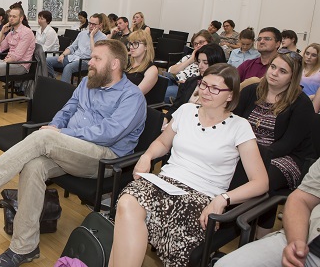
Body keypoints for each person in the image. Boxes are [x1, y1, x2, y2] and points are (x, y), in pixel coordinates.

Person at [0, 40, 147, 267]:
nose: (90, 62)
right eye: (91, 57)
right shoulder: (88, 83)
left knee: (44, 138)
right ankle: (24, 247)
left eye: (96, 59)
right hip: (72, 148)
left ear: (114, 64)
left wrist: (60, 134)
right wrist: (55, 127)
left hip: (105, 158)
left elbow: (108, 133)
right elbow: (67, 110)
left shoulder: (131, 97)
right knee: (33, 166)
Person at [111, 63, 268, 267]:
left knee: (128, 218)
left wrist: (224, 198)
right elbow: (162, 143)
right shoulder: (186, 111)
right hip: (165, 182)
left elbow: (261, 182)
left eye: (215, 88)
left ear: (230, 95)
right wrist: (147, 156)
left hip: (201, 196)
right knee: (127, 201)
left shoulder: (239, 126)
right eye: (203, 85)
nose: (205, 92)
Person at [234, 49, 315, 238]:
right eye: (273, 67)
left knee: (265, 179)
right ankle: (229, 221)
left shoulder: (301, 103)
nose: (274, 73)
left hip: (285, 158)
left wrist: (250, 156)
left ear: (292, 78)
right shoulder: (251, 91)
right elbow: (233, 123)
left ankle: (260, 236)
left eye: (282, 71)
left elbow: (287, 145)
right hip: (247, 149)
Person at [215, 158, 320, 267]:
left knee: (271, 177)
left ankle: (261, 233)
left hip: (292, 159)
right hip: (305, 237)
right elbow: (301, 199)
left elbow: (281, 147)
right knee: (225, 264)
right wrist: (296, 241)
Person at [163, 43, 227, 126]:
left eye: (205, 62)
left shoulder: (223, 89)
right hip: (180, 123)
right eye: (199, 62)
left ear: (217, 63)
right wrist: (165, 119)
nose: (200, 66)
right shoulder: (191, 82)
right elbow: (176, 107)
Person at [46, 13, 107, 83]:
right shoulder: (82, 34)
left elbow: (94, 54)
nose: (90, 26)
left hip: (86, 61)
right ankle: (54, 82)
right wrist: (63, 55)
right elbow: (72, 47)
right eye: (90, 23)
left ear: (100, 25)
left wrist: (91, 36)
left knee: (68, 68)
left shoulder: (103, 38)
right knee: (47, 61)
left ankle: (63, 91)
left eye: (94, 24)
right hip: (73, 57)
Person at [164, 30, 213, 103]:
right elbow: (171, 71)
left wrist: (187, 83)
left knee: (166, 92)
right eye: (196, 44)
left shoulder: (211, 60)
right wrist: (191, 60)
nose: (198, 45)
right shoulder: (188, 57)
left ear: (209, 42)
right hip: (174, 81)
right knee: (158, 84)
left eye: (201, 42)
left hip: (186, 88)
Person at [125, 30, 158, 95]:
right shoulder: (127, 62)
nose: (131, 47)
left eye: (135, 44)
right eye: (130, 44)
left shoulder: (151, 70)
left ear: (146, 46)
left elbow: (136, 95)